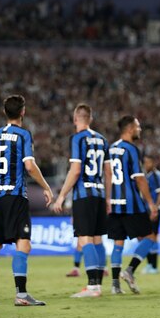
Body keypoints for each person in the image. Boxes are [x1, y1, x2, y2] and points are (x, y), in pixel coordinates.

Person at [0, 95, 53, 306]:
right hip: (16, 196)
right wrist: (46, 186)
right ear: (23, 112)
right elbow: (29, 166)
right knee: (23, 243)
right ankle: (21, 295)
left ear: (5, 112)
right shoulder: (23, 135)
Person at [54, 104, 112, 297]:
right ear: (91, 118)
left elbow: (76, 170)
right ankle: (98, 286)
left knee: (85, 239)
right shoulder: (103, 140)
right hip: (99, 194)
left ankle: (93, 287)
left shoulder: (77, 138)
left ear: (75, 119)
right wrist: (108, 199)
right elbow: (108, 172)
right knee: (97, 239)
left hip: (83, 195)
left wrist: (61, 195)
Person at [107, 116, 158, 294]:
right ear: (129, 129)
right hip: (131, 203)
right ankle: (129, 271)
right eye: (137, 127)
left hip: (114, 203)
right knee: (150, 238)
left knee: (118, 244)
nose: (140, 129)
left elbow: (106, 175)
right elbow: (140, 179)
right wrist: (151, 203)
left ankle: (115, 286)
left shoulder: (111, 148)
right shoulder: (131, 149)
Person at [142, 153, 160, 274]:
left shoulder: (155, 175)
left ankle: (154, 266)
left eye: (148, 162)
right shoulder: (148, 175)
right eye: (145, 162)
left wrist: (155, 208)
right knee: (148, 237)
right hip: (148, 209)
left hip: (154, 211)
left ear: (153, 163)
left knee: (153, 237)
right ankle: (151, 265)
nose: (146, 165)